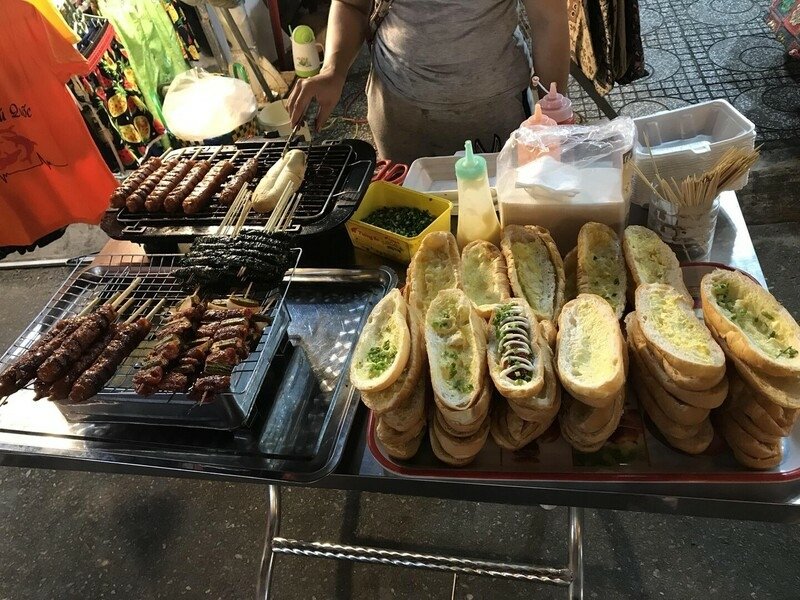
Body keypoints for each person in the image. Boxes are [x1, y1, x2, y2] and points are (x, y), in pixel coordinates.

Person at [288, 0, 569, 165]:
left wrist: (553, 109)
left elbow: (548, 19)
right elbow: (352, 4)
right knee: (409, 226)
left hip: (495, 113)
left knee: (495, 231)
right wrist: (333, 71)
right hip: (398, 113)